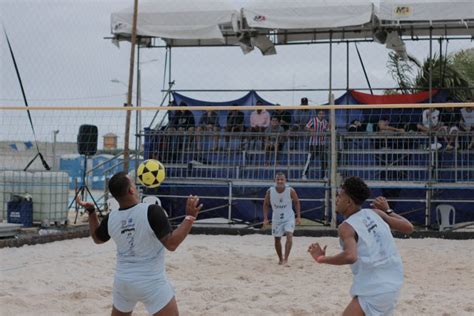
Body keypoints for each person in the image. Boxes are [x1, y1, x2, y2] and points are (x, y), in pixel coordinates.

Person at [76, 172, 203, 316]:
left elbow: (97, 239)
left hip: (123, 283)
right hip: (151, 282)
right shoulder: (152, 210)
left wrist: (92, 212)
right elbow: (172, 244)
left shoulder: (111, 218)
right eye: (133, 184)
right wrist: (190, 217)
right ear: (131, 190)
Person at [308, 176, 413, 316]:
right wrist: (388, 210)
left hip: (374, 289)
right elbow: (408, 227)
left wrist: (321, 258)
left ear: (349, 202)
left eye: (340, 195)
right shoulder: (376, 213)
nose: (336, 199)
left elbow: (350, 256)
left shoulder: (346, 227)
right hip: (393, 283)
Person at [263, 172, 301, 265]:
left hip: (289, 217)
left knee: (289, 235)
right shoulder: (270, 191)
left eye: (282, 179)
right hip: (276, 218)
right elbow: (266, 204)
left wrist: (298, 216)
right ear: (275, 180)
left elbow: (296, 202)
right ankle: (280, 259)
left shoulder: (290, 190)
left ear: (285, 180)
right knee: (277, 239)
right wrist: (265, 218)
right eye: (278, 179)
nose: (280, 181)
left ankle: (286, 259)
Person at [302, 110, 329, 179]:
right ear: (317, 114)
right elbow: (306, 127)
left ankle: (324, 176)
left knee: (324, 160)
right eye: (320, 113)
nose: (321, 115)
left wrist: (328, 129)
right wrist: (311, 130)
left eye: (323, 113)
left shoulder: (325, 122)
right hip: (313, 144)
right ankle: (304, 174)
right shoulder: (313, 120)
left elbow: (328, 130)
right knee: (309, 159)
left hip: (322, 144)